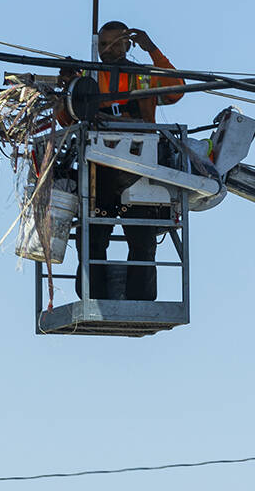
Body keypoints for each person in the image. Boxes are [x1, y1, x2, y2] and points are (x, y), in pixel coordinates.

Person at [64, 21, 184, 302]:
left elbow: (176, 89)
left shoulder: (142, 76)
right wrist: (66, 88)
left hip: (138, 169)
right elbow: (65, 116)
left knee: (142, 237)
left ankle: (140, 299)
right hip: (100, 172)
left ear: (128, 44)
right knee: (93, 235)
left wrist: (152, 49)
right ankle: (93, 297)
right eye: (103, 44)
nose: (108, 50)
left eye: (115, 44)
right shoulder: (87, 77)